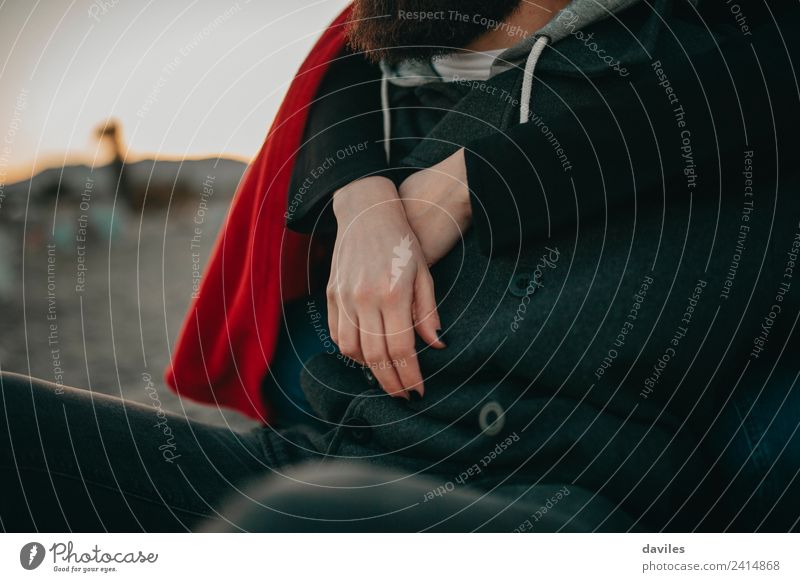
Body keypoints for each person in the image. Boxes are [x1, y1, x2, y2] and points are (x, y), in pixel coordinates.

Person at [1, 0, 799, 532]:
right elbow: (350, 48)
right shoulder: (401, 69)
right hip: (324, 454)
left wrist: (480, 181)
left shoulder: (723, 58)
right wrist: (360, 196)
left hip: (560, 500)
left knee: (281, 528)